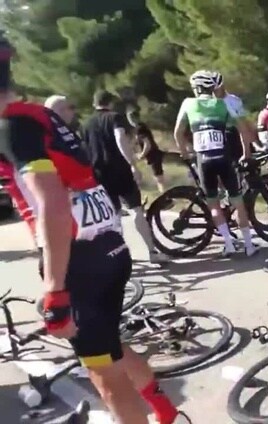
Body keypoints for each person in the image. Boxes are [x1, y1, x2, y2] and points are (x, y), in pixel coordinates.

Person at [0, 38, 190, 424]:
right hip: (110, 249)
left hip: (79, 261)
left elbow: (52, 202)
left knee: (103, 373)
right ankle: (165, 410)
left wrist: (54, 290)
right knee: (110, 347)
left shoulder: (10, 127)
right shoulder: (38, 115)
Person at [174, 70, 258, 257]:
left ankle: (228, 244)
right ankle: (249, 246)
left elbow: (178, 133)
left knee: (213, 204)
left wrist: (185, 153)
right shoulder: (222, 104)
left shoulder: (188, 103)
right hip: (224, 158)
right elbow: (243, 129)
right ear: (212, 87)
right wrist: (246, 152)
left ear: (196, 88)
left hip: (203, 160)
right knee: (238, 202)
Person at [80, 90, 168, 264]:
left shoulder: (85, 125)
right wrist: (132, 164)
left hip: (99, 174)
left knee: (113, 216)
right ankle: (152, 252)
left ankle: (118, 254)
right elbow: (120, 138)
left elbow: (83, 149)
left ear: (94, 104)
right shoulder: (115, 118)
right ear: (111, 103)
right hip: (120, 170)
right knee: (136, 210)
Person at [127, 110, 166, 194]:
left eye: (131, 118)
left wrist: (142, 155)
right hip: (152, 154)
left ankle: (165, 196)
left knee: (158, 177)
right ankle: (163, 194)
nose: (130, 120)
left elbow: (147, 144)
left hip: (153, 154)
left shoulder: (140, 128)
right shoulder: (141, 127)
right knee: (157, 176)